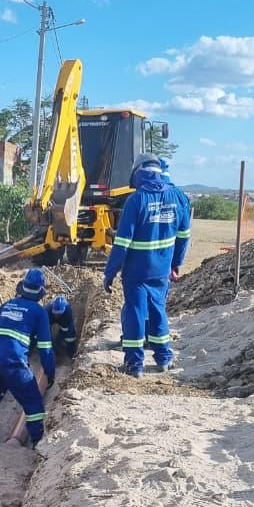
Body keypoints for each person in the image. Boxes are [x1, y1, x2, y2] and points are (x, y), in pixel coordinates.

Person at [103, 156, 192, 379]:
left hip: (136, 271)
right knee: (158, 310)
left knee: (135, 312)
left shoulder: (136, 200)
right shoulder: (178, 196)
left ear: (138, 174)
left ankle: (135, 365)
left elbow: (122, 243)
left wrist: (110, 272)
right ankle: (163, 358)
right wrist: (175, 265)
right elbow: (184, 237)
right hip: (161, 270)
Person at [0, 267, 55, 449]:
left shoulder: (7, 304)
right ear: (40, 291)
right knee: (32, 400)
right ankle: (38, 441)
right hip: (13, 361)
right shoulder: (39, 312)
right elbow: (45, 348)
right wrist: (50, 372)